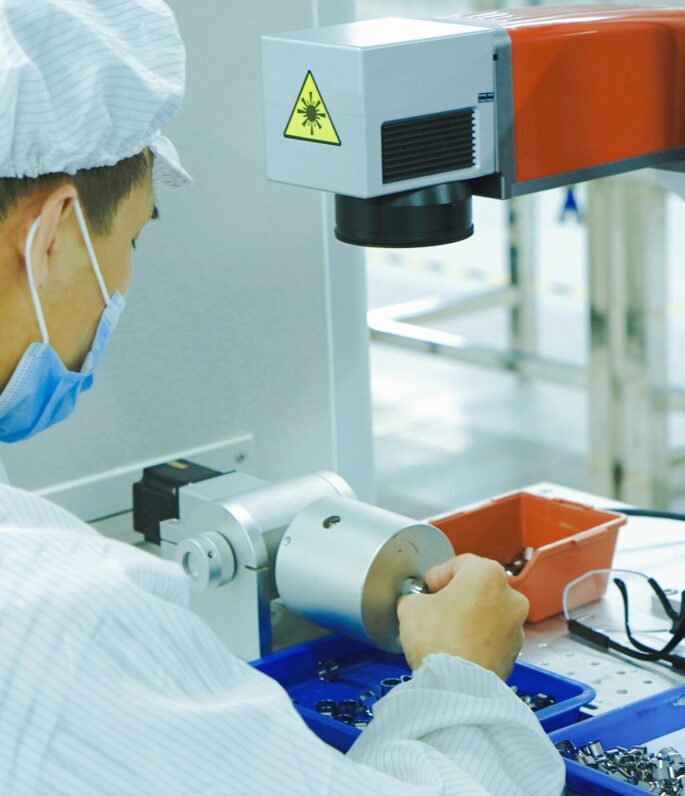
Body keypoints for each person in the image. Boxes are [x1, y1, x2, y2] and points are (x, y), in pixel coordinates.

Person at [0, 1, 565, 794]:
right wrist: (464, 676)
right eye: (131, 240)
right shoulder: (62, 622)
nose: (121, 284)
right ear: (53, 235)